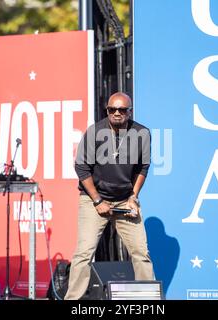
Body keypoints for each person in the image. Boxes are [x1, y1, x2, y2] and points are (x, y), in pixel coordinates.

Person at [64, 92, 155, 300]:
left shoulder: (141, 133)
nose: (116, 113)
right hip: (94, 199)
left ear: (129, 112)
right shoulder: (94, 132)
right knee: (83, 253)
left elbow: (143, 168)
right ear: (106, 110)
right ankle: (73, 300)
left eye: (122, 110)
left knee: (141, 253)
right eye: (111, 109)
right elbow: (81, 168)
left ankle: (148, 300)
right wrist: (97, 200)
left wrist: (133, 196)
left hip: (124, 199)